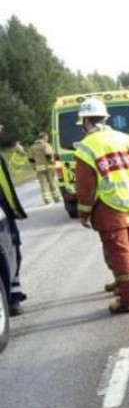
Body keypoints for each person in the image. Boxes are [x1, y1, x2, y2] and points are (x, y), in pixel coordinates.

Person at [74, 97, 129, 313]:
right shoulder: (124, 139)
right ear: (105, 118)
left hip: (109, 208)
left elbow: (86, 187)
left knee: (119, 254)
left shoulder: (86, 147)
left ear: (86, 121)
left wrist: (83, 213)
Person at [0, 152, 28, 316]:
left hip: (4, 211)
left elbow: (10, 174)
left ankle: (14, 296)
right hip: (3, 211)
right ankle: (12, 298)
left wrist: (18, 154)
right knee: (11, 253)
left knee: (13, 252)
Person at [28, 132, 61, 205]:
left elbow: (30, 159)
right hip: (49, 167)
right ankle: (56, 198)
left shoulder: (32, 147)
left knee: (43, 184)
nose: (47, 139)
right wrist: (53, 162)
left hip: (39, 169)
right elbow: (49, 155)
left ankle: (46, 200)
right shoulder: (46, 145)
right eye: (46, 137)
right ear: (44, 137)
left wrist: (34, 166)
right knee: (52, 183)